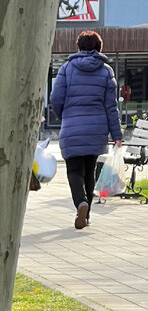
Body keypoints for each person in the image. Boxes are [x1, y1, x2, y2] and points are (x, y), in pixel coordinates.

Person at [50, 29, 123, 230]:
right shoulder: (107, 71)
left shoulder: (67, 68)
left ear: (79, 47)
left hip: (72, 127)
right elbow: (111, 107)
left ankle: (80, 203)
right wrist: (117, 135)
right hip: (96, 130)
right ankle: (87, 215)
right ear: (99, 47)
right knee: (90, 172)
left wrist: (64, 114)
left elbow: (55, 98)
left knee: (74, 170)